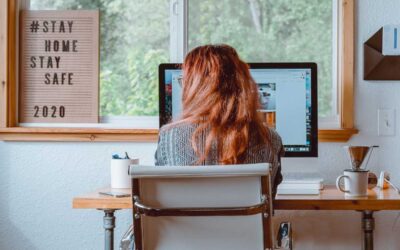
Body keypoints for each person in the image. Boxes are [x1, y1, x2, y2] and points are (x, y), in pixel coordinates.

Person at [155, 44, 283, 195]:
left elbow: (164, 195)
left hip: (186, 219)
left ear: (194, 86)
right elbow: (269, 200)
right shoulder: (271, 138)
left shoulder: (169, 136)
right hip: (244, 220)